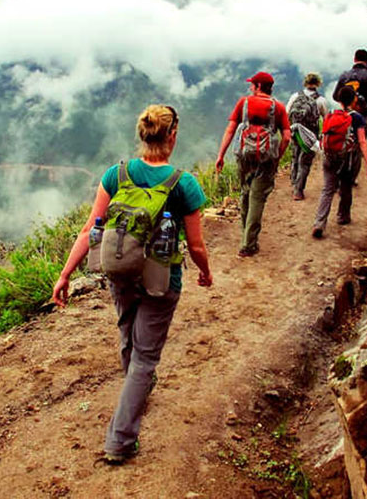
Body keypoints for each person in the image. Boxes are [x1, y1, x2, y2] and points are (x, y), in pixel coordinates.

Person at [51, 105, 213, 464]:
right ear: (172, 137)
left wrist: (65, 274)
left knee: (128, 333)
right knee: (146, 357)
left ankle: (135, 390)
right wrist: (205, 271)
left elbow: (88, 228)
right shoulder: (183, 183)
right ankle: (120, 440)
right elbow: (197, 244)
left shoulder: (116, 174)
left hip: (120, 271)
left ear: (143, 135)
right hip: (161, 279)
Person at [215, 71, 291, 257]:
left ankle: (245, 234)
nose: (250, 87)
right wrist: (277, 157)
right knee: (258, 198)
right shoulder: (279, 107)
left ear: (258, 87)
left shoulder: (244, 103)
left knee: (246, 192)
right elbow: (287, 137)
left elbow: (231, 129)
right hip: (267, 158)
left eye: (252, 84)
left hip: (244, 155)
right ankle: (248, 244)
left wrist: (221, 155)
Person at [312, 85, 367, 238]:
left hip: (328, 156)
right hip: (347, 159)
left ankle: (319, 223)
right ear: (354, 100)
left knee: (327, 190)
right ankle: (342, 216)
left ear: (339, 100)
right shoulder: (357, 117)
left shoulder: (331, 114)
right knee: (346, 187)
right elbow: (362, 141)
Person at [286, 72, 328, 200]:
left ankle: (294, 182)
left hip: (295, 132)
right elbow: (325, 118)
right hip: (310, 136)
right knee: (305, 162)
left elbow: (287, 112)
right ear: (318, 84)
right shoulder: (321, 101)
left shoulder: (295, 96)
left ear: (305, 83)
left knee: (295, 156)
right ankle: (298, 190)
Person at [333, 49, 367, 134]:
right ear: (366, 61)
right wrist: (366, 104)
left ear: (354, 59)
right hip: (365, 113)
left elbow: (335, 96)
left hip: (346, 114)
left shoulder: (344, 75)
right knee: (361, 136)